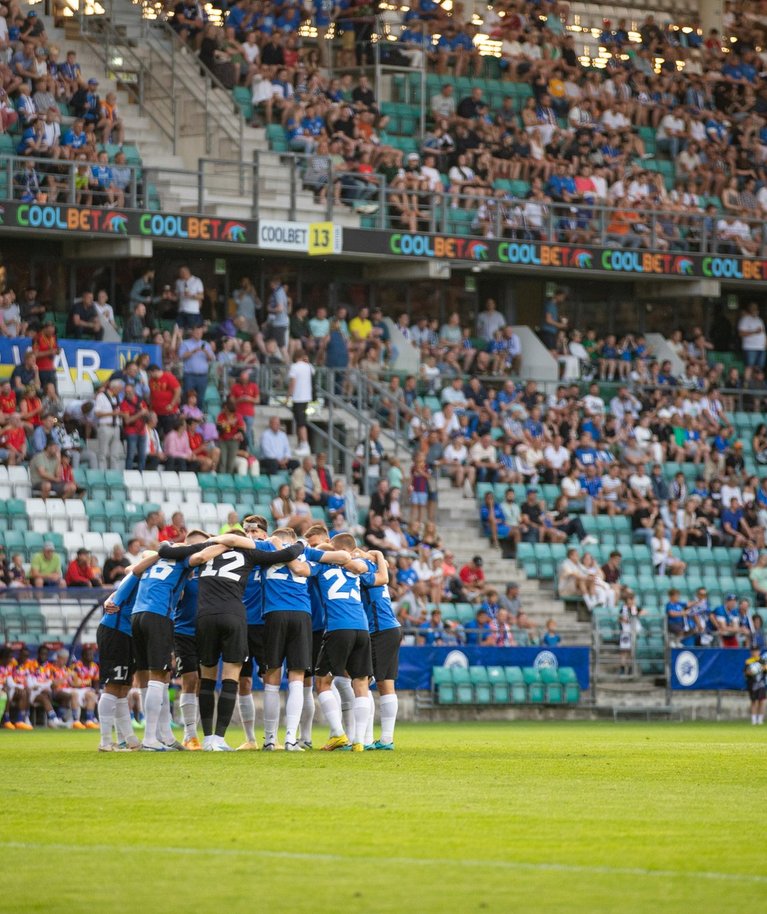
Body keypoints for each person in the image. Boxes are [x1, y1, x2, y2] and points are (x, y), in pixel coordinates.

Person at [259, 527, 352, 751]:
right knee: (299, 679)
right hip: (302, 616)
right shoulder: (306, 553)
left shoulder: (266, 548)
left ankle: (271, 739)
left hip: (275, 614)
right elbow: (344, 556)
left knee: (273, 677)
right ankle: (292, 738)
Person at [313, 533, 373, 752]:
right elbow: (373, 569)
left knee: (322, 682)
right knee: (361, 683)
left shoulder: (322, 567)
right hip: (362, 627)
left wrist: (326, 549)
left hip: (339, 627)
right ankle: (358, 740)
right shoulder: (359, 567)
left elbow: (309, 560)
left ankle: (338, 734)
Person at [98, 553, 159, 751]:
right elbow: (117, 597)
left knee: (124, 687)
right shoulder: (134, 578)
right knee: (113, 685)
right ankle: (105, 740)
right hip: (115, 632)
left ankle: (129, 739)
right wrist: (110, 599)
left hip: (128, 634)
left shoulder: (150, 582)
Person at [358, 546, 401, 749]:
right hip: (391, 628)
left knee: (362, 681)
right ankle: (386, 740)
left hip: (379, 630)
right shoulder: (376, 569)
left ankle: (367, 739)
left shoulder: (364, 573)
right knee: (385, 684)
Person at [178, 325, 214, 404]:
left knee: (201, 398)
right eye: (197, 332)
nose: (198, 334)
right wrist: (193, 351)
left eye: (200, 332)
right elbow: (181, 356)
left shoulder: (206, 344)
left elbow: (212, 359)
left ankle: (199, 415)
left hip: (203, 376)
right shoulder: (185, 343)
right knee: (187, 397)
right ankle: (186, 415)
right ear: (192, 332)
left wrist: (206, 352)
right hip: (190, 375)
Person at [94, 378, 123, 469]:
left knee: (115, 454)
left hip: (116, 427)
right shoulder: (101, 397)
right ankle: (102, 473)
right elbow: (97, 413)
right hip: (105, 426)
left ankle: (113, 474)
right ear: (113, 388)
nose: (120, 391)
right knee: (103, 453)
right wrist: (112, 413)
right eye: (119, 389)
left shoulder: (117, 398)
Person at [287, 349, 314, 431]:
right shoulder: (309, 366)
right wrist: (307, 362)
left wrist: (288, 396)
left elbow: (292, 383)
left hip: (298, 398)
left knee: (300, 423)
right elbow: (313, 372)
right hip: (307, 397)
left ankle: (304, 442)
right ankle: (302, 441)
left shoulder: (294, 367)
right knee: (302, 421)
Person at [744, 647, 766, 725]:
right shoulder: (748, 661)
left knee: (762, 701)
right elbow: (746, 672)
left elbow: (765, 670)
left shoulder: (762, 660)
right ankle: (754, 720)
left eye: (756, 651)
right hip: (752, 684)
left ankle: (760, 719)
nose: (755, 652)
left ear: (759, 651)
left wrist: (760, 669)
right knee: (754, 701)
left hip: (761, 684)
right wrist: (751, 672)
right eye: (753, 651)